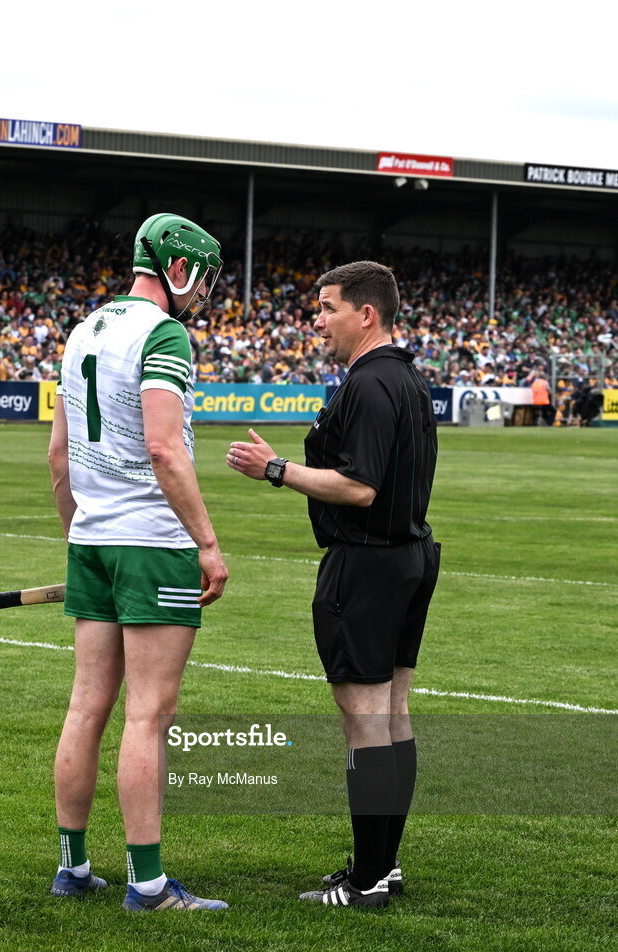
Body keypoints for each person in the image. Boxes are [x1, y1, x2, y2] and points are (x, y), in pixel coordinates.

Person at [228, 261, 440, 909]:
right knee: (394, 716)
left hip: (368, 564)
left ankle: (369, 878)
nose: (317, 321)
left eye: (326, 309)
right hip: (409, 557)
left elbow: (359, 486)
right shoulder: (406, 379)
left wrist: (275, 469)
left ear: (365, 314)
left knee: (365, 725)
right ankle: (384, 866)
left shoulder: (372, 385)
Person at [47, 212, 229, 912]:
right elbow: (163, 447)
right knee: (148, 714)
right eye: (202, 277)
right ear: (176, 268)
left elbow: (59, 455)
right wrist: (207, 543)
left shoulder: (81, 329)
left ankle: (72, 867)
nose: (204, 293)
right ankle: (148, 885)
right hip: (153, 543)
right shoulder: (164, 334)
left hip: (94, 537)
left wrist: (80, 533)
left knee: (86, 707)